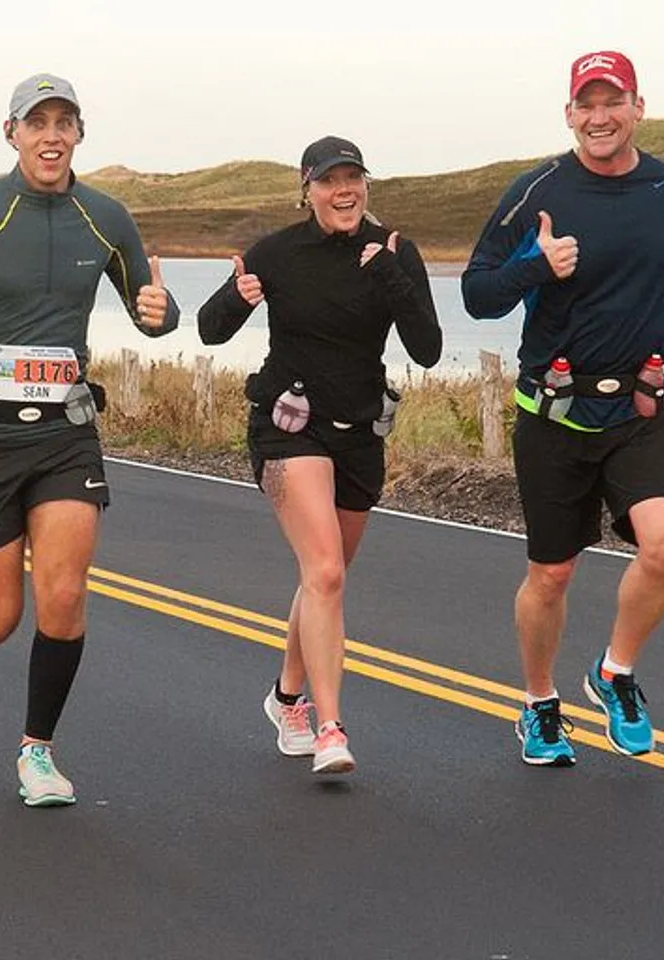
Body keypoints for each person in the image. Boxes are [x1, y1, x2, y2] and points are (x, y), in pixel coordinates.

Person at [0, 73, 178, 807]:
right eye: (37, 122)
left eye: (65, 122)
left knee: (63, 596)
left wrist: (161, 310)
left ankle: (38, 753)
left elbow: (152, 310)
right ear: (12, 133)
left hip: (66, 434)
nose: (51, 135)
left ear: (80, 134)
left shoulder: (106, 217)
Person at [462, 51, 664, 767]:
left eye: (611, 101)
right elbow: (477, 292)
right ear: (568, 116)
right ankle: (539, 703)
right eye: (586, 105)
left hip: (642, 407)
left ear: (637, 107)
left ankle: (613, 673)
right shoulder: (538, 192)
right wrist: (536, 265)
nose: (599, 117)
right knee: (552, 575)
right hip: (554, 411)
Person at [198, 136, 442, 775]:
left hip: (360, 432)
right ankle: (330, 729)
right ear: (306, 191)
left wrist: (390, 276)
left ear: (365, 185)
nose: (344, 191)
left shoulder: (396, 251)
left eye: (353, 179)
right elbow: (209, 328)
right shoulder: (278, 252)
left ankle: (286, 698)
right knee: (327, 571)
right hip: (288, 424)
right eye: (329, 181)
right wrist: (236, 297)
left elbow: (428, 349)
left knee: (323, 575)